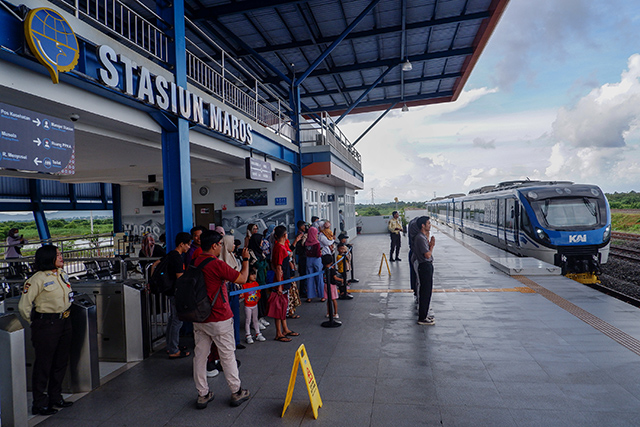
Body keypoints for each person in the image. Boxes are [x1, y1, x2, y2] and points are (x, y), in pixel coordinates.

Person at [192, 230, 251, 409]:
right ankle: (236, 391)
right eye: (220, 244)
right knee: (227, 356)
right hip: (219, 317)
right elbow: (242, 278)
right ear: (214, 245)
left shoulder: (195, 261)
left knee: (200, 357)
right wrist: (246, 260)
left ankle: (202, 394)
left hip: (199, 317)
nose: (220, 247)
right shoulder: (216, 264)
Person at [18, 245, 73, 416]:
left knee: (60, 362)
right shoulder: (37, 279)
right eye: (57, 255)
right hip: (46, 325)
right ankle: (39, 403)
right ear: (48, 257)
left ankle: (55, 397)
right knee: (44, 365)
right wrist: (36, 323)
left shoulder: (62, 275)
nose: (61, 257)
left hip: (65, 322)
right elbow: (24, 306)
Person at [161, 232, 191, 359]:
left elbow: (157, 263)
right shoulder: (177, 258)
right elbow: (180, 278)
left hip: (170, 291)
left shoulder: (170, 255)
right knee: (177, 321)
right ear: (181, 244)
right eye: (187, 245)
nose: (189, 247)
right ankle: (173, 349)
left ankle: (171, 346)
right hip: (176, 292)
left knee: (173, 320)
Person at [268, 225, 299, 342]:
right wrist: (280, 285)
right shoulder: (280, 248)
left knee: (283, 306)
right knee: (279, 308)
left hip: (284, 280)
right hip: (281, 281)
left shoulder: (278, 246)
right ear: (285, 235)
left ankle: (285, 329)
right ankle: (279, 333)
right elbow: (279, 268)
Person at [220, 234, 244, 350]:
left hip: (234, 289)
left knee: (235, 315)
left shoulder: (232, 256)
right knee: (227, 319)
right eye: (232, 243)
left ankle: (236, 340)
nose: (234, 245)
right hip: (226, 292)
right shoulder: (220, 259)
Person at [411, 216, 436, 325]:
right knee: (425, 291)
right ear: (423, 225)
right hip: (424, 266)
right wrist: (432, 246)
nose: (430, 225)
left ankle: (424, 314)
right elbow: (427, 255)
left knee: (426, 291)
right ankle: (422, 318)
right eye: (428, 223)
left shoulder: (421, 237)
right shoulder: (420, 238)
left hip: (425, 265)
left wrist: (429, 243)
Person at [247, 233, 270, 330]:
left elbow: (264, 264)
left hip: (262, 280)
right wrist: (263, 262)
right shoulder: (251, 252)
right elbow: (259, 265)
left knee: (263, 299)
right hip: (255, 281)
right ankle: (254, 321)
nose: (262, 242)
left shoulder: (260, 251)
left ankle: (261, 317)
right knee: (256, 302)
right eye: (260, 240)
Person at [242, 268, 266, 344]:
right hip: (248, 306)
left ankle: (258, 333)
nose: (254, 276)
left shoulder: (256, 284)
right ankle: (248, 335)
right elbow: (242, 295)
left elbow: (258, 293)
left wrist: (258, 297)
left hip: (255, 305)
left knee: (255, 320)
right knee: (248, 320)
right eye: (252, 274)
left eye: (254, 274)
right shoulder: (245, 286)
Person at [304, 226, 324, 303]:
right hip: (316, 260)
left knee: (309, 278)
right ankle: (321, 296)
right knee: (319, 278)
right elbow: (318, 254)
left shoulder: (307, 242)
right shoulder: (317, 243)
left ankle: (309, 296)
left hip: (308, 260)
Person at [322, 254, 340, 319]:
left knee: (328, 300)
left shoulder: (323, 268)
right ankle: (335, 313)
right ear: (331, 262)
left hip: (325, 285)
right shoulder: (332, 270)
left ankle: (328, 312)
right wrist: (342, 279)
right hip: (332, 285)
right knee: (334, 299)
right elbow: (335, 277)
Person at [293, 221, 308, 298]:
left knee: (303, 273)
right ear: (301, 226)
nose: (305, 227)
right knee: (303, 273)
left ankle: (303, 290)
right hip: (303, 256)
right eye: (304, 225)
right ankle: (303, 291)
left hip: (302, 256)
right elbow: (302, 245)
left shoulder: (301, 234)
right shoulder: (300, 235)